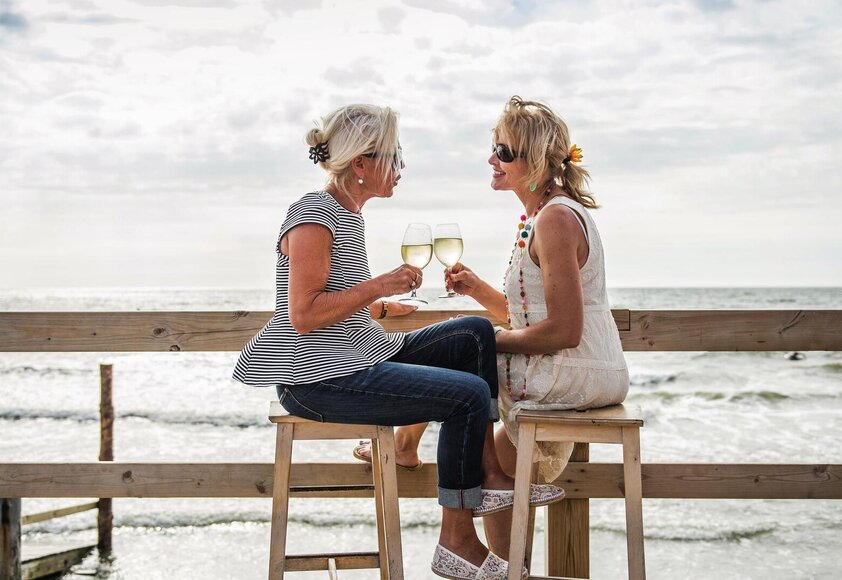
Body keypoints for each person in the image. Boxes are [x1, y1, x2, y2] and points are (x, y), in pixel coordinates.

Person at [232, 103, 560, 579]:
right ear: (361, 163)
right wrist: (380, 286)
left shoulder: (347, 213)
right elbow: (303, 314)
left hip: (359, 353)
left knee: (474, 334)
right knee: (467, 396)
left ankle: (488, 474)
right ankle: (456, 541)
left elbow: (334, 301)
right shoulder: (313, 214)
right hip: (318, 379)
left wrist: (381, 308)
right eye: (394, 156)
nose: (400, 167)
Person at [353, 96, 629, 557]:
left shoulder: (556, 219)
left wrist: (490, 340)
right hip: (576, 365)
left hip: (572, 368)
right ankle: (506, 568)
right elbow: (535, 318)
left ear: (535, 160)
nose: (491, 159)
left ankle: (404, 444)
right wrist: (478, 291)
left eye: (504, 151)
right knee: (494, 457)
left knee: (455, 352)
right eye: (494, 148)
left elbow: (565, 331)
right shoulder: (545, 214)